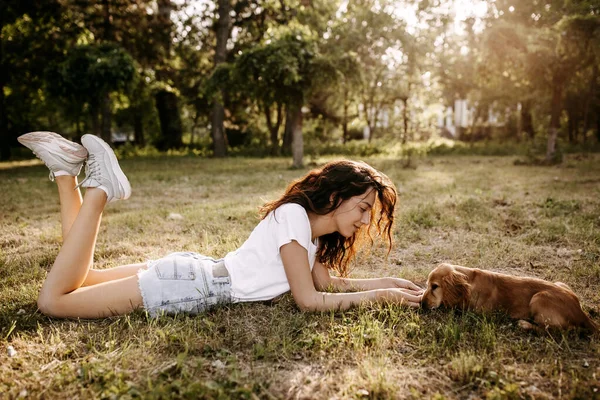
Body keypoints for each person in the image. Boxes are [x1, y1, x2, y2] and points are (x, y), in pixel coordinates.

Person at [18, 131, 423, 319]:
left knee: (83, 277)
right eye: (364, 207)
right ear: (336, 197)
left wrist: (387, 284)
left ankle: (65, 172)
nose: (367, 219)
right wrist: (379, 300)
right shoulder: (295, 220)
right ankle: (101, 189)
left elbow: (327, 285)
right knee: (53, 302)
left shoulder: (308, 235)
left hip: (192, 273)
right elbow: (309, 300)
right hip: (189, 284)